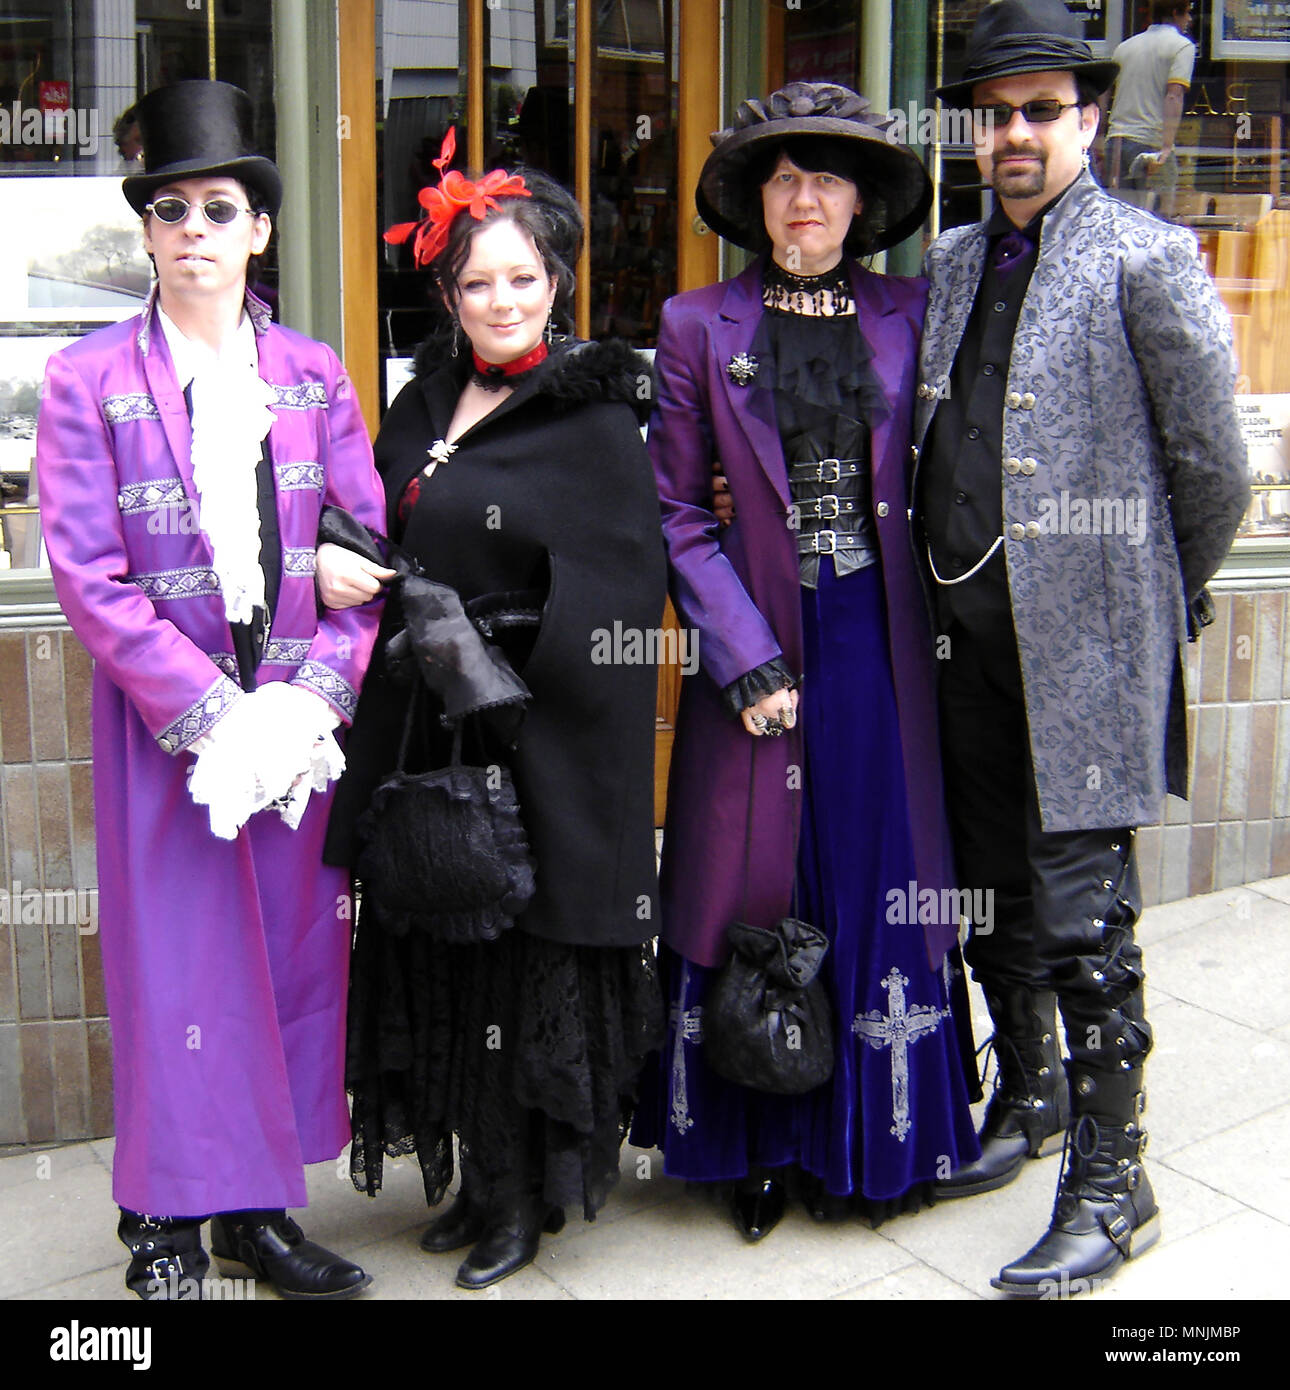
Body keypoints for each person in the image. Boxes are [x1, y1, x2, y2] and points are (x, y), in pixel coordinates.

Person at [35, 80, 385, 1299]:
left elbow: (364, 551)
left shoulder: (313, 371)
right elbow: (87, 570)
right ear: (144, 231)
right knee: (176, 972)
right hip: (165, 728)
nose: (195, 229)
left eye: (220, 207)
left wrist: (310, 702)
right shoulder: (87, 380)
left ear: (260, 232)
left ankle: (257, 1210)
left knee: (286, 965)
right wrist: (205, 715)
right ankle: (161, 1227)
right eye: (171, 208)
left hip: (288, 723)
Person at [921, 0, 1249, 1296]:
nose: (1013, 134)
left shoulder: (1142, 256)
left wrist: (1153, 591)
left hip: (1086, 650)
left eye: (1039, 111)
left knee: (1080, 913)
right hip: (964, 644)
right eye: (995, 113)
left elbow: (1214, 466)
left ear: (1088, 117)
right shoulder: (951, 259)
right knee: (991, 895)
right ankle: (1032, 1096)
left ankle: (1116, 1181)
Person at [629, 82, 982, 1241]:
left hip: (879, 641)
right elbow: (678, 511)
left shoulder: (913, 312)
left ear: (865, 198)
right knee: (754, 878)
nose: (805, 197)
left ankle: (880, 1139)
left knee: (877, 866)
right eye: (784, 176)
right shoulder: (696, 324)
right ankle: (760, 1144)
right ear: (757, 199)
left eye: (828, 176)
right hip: (758, 639)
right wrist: (743, 654)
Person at [317, 139, 666, 1291]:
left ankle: (523, 1197)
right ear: (449, 293)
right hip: (430, 727)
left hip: (535, 736)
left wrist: (498, 640)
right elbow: (378, 519)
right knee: (446, 949)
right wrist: (349, 565)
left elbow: (622, 582)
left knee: (524, 960)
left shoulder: (596, 413)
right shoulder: (423, 399)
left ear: (556, 282)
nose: (501, 300)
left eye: (522, 278)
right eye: (478, 282)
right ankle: (470, 1181)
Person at [1103, 0, 1195, 214]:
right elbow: (1174, 95)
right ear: (1175, 12)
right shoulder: (1182, 46)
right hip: (1150, 141)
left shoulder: (1124, 47)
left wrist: (1100, 137)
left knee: (1120, 218)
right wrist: (1166, 146)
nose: (1189, 19)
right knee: (1157, 219)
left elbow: (1104, 95)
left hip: (1116, 141)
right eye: (1187, 13)